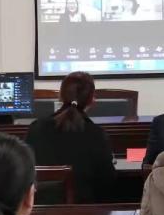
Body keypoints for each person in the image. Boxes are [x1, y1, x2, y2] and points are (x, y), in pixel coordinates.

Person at [25, 72, 116, 203]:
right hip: (86, 211)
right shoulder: (96, 134)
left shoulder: (36, 129)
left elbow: (26, 171)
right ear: (92, 99)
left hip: (42, 208)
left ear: (60, 96)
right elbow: (107, 181)